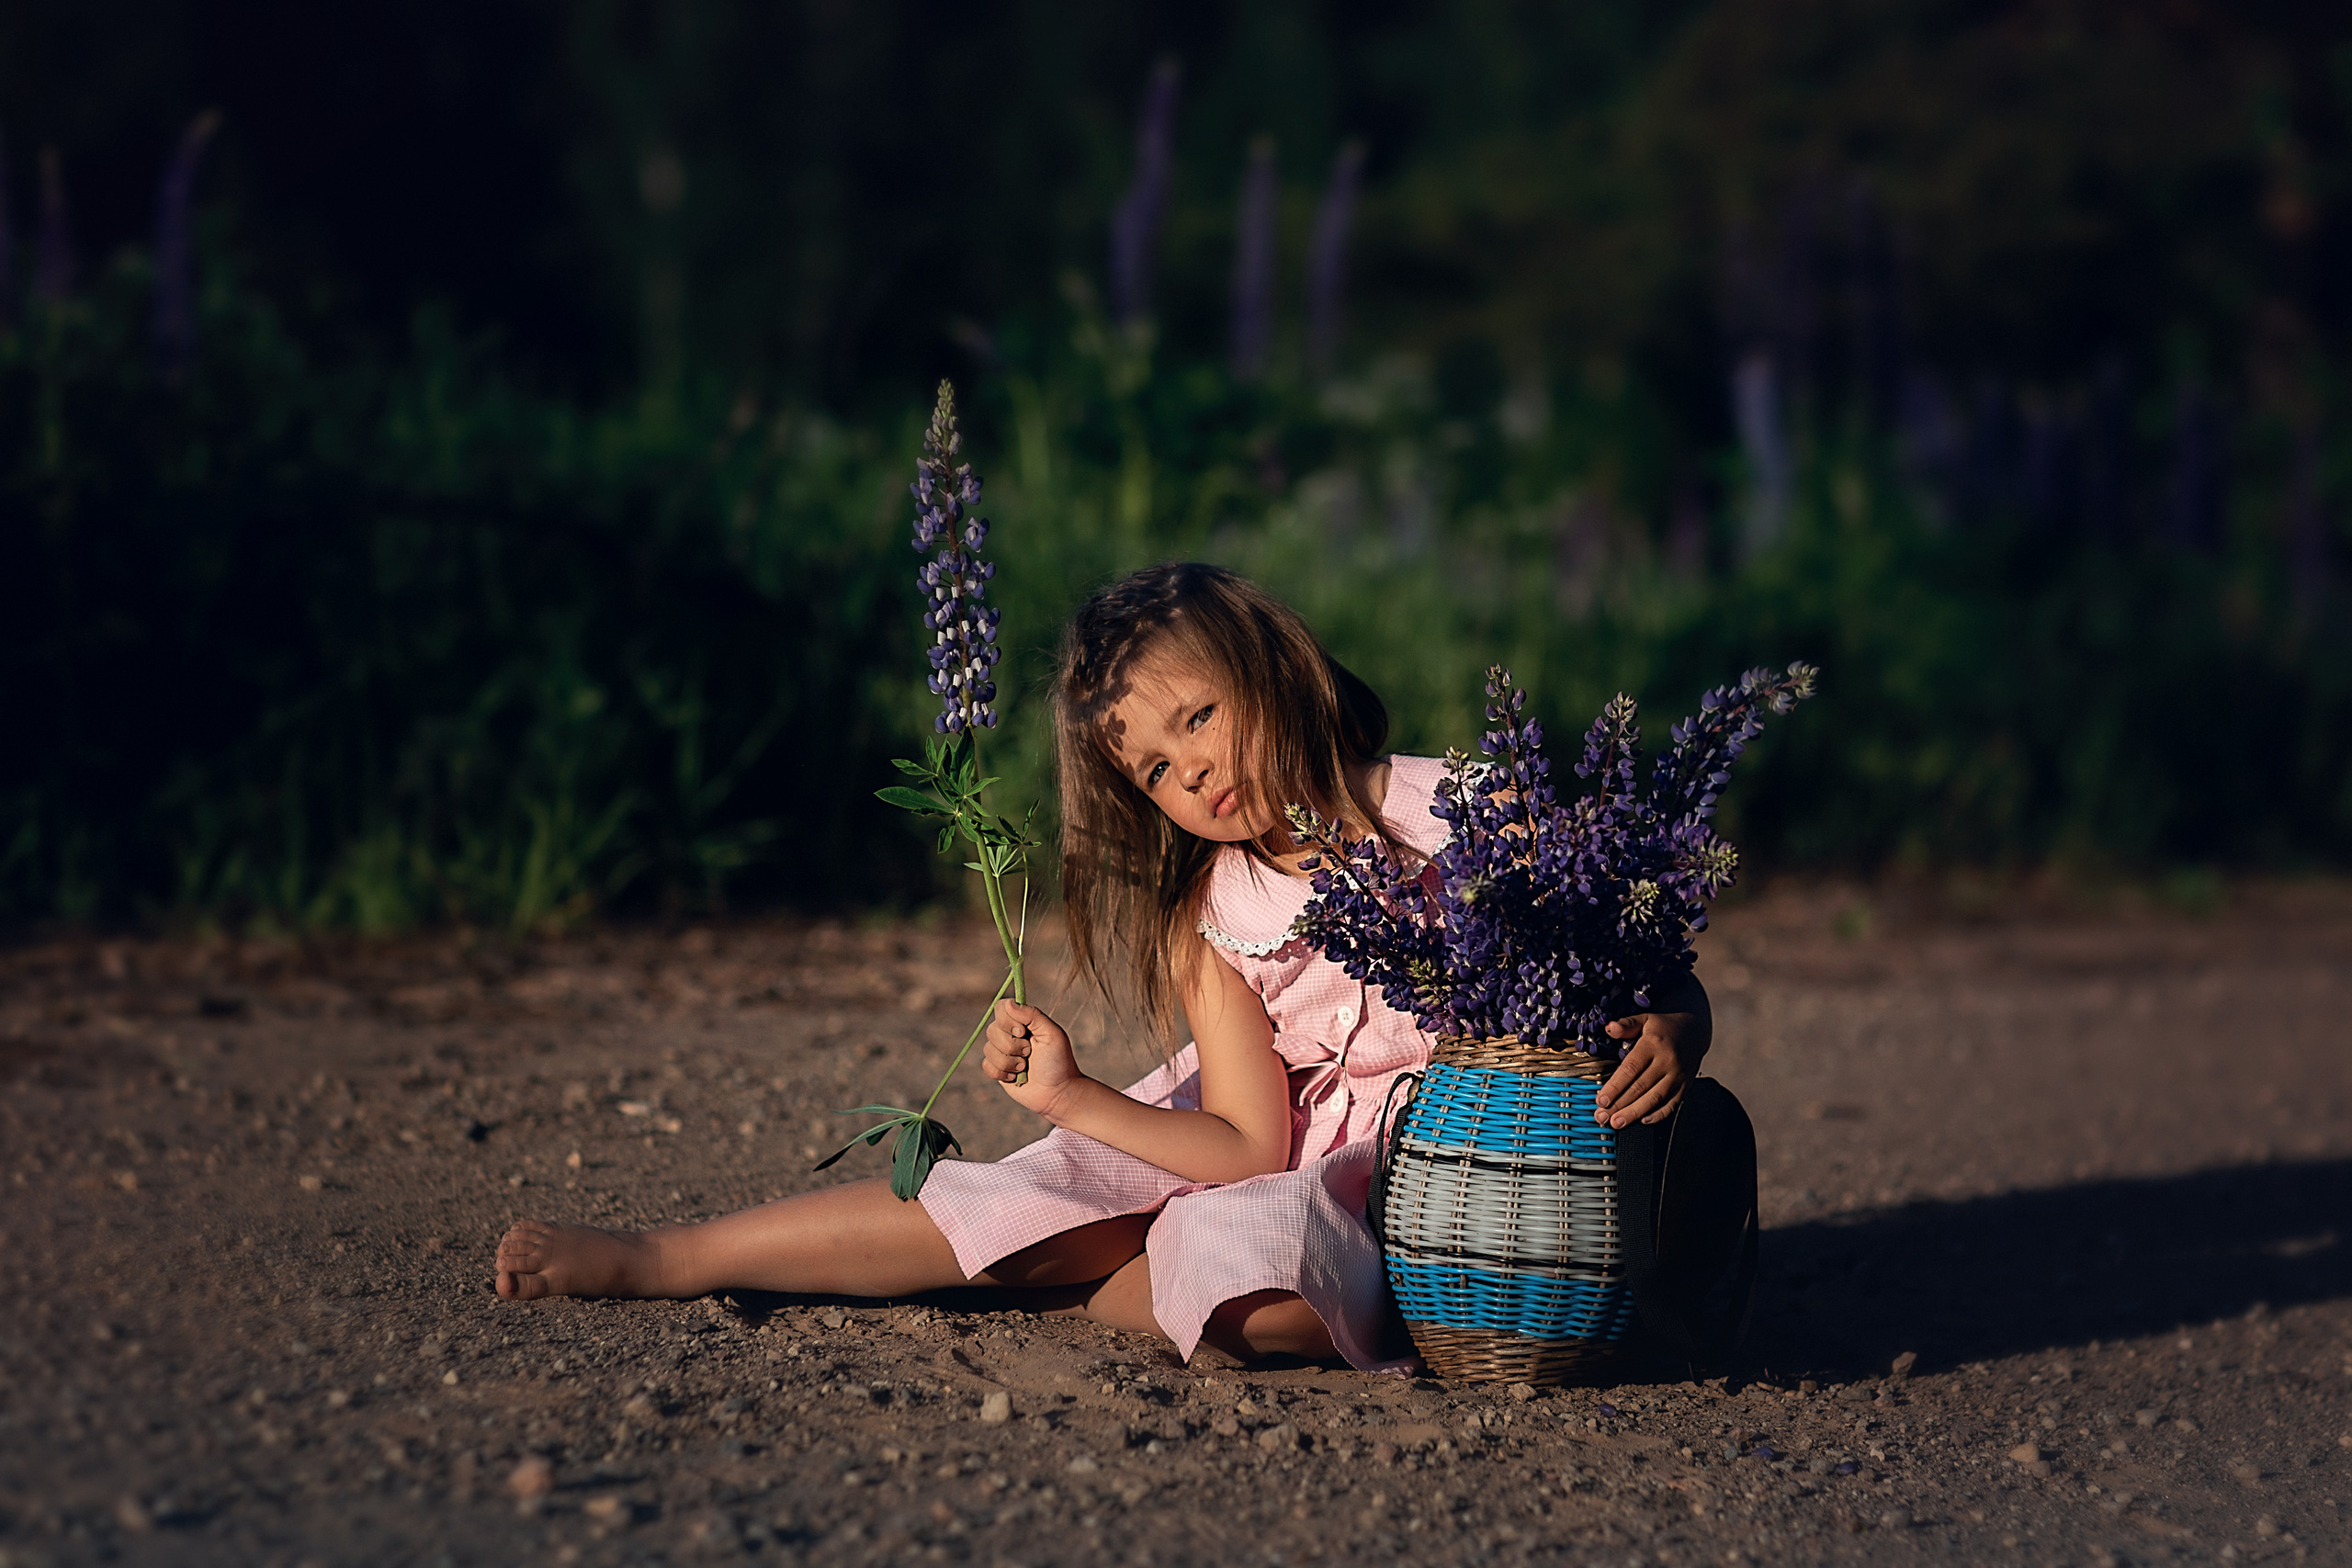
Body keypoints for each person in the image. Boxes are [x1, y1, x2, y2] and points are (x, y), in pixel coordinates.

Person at [494, 562, 1712, 1369]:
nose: (1193, 774)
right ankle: (670, 1258)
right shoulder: (1218, 920)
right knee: (1022, 1194)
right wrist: (1077, 1098)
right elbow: (1244, 1143)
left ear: (1275, 664)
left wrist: (1674, 1022)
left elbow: (1644, 954)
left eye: (1199, 717)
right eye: (1156, 771)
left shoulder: (1468, 805)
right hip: (1258, 1146)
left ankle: (1110, 1277)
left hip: (1439, 1173)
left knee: (1262, 1296)